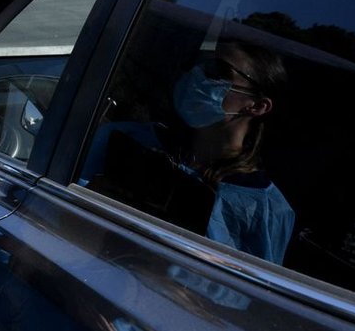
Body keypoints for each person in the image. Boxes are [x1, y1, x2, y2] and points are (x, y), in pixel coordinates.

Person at [82, 38, 295, 264]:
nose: (199, 75)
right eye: (200, 63)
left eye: (218, 71)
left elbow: (254, 292)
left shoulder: (266, 206)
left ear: (257, 106)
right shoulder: (126, 138)